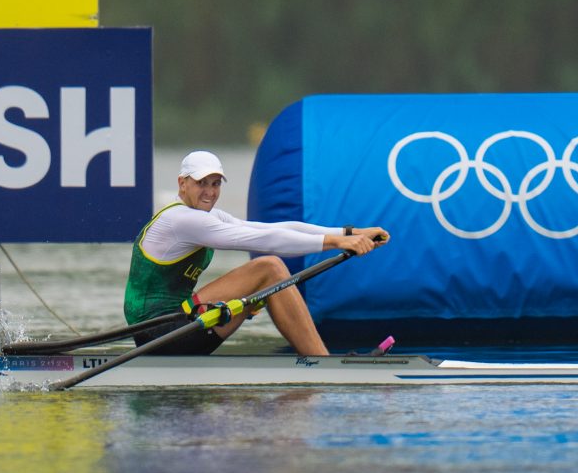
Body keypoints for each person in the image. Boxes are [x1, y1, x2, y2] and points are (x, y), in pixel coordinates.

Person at [123, 150, 389, 356]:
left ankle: (320, 361)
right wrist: (335, 243)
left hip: (180, 326)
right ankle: (322, 362)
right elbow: (267, 239)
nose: (210, 192)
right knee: (269, 268)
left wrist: (349, 233)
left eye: (215, 184)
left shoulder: (207, 216)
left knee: (267, 276)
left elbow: (275, 228)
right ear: (182, 183)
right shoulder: (182, 220)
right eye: (201, 183)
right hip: (158, 333)